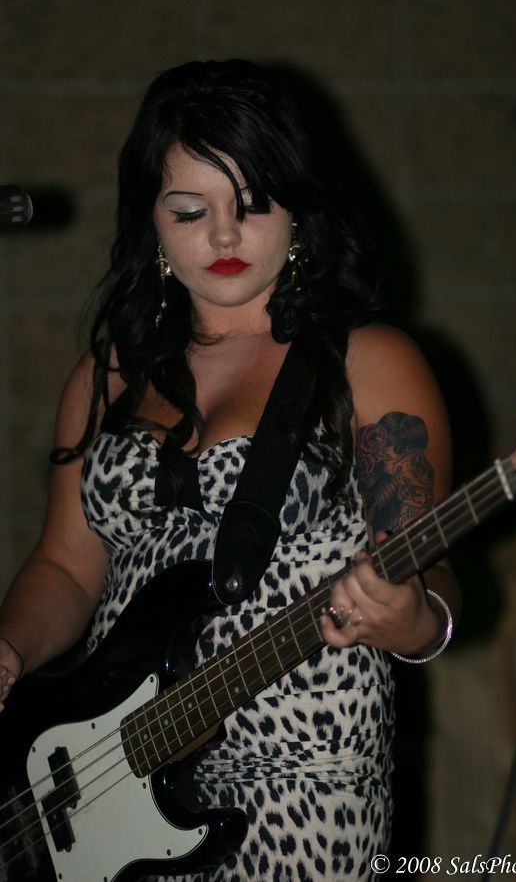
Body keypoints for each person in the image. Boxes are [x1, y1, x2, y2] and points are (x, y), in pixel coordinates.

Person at [0, 59, 461, 881]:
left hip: (301, 785)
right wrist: (9, 647)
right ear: (151, 220)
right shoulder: (108, 374)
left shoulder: (368, 363)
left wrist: (417, 623)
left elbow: (428, 568)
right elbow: (66, 567)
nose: (221, 236)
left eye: (252, 206)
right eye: (190, 210)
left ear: (299, 211)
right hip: (112, 783)